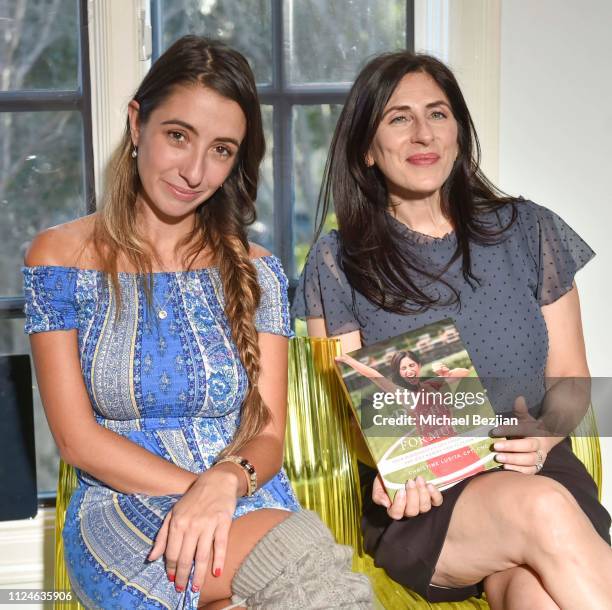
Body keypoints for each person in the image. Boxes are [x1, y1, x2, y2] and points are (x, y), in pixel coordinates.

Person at [23, 36, 372, 610]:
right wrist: (201, 492)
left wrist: (225, 484)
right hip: (123, 515)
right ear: (138, 124)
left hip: (245, 498)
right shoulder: (60, 257)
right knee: (302, 562)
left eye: (221, 150)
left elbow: (267, 437)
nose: (193, 170)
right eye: (178, 136)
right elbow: (75, 438)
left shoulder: (256, 271)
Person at [293, 50, 612, 608]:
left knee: (533, 594)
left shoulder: (528, 229)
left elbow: (571, 378)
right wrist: (391, 470)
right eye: (399, 118)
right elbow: (356, 413)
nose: (423, 133)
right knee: (543, 509)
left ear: (458, 131)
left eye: (438, 114)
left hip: (539, 465)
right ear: (367, 149)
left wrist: (543, 434)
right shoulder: (335, 261)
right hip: (431, 498)